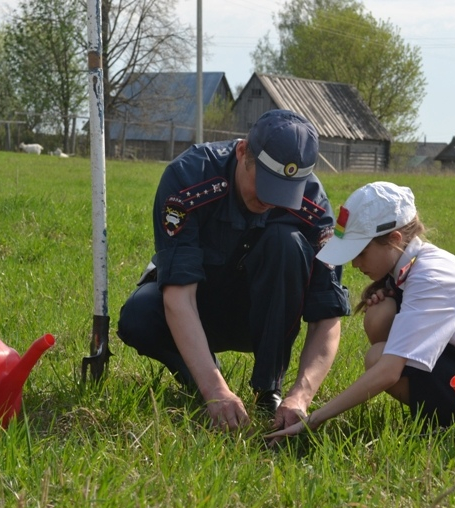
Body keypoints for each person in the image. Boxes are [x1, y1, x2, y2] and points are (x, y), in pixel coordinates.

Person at [117, 109, 351, 432]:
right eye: (265, 185)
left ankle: (269, 390)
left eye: (286, 192)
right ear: (242, 152)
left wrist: (301, 395)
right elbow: (179, 298)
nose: (271, 201)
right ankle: (202, 380)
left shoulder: (315, 207)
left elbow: (328, 317)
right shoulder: (188, 179)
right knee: (138, 315)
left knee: (287, 242)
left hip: (262, 316)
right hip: (198, 308)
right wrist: (215, 390)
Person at [266, 181, 455, 440]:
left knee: (379, 358)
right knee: (380, 316)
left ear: (395, 239)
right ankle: (442, 417)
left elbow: (389, 371)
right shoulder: (408, 265)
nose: (354, 264)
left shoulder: (432, 276)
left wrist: (314, 420)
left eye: (361, 252)